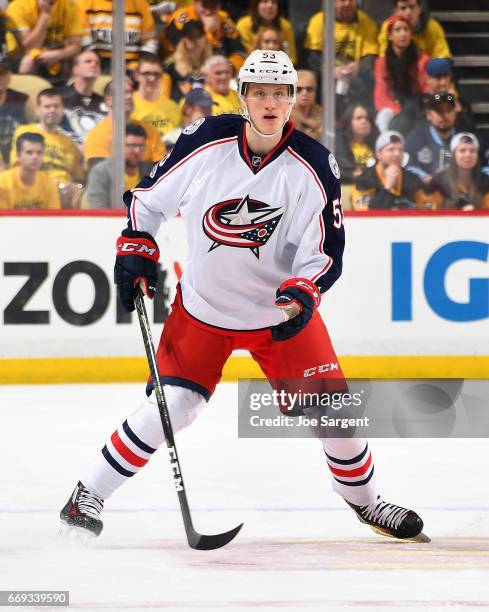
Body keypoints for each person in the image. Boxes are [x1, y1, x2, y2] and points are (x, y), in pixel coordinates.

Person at [60, 49, 427, 544]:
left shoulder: (316, 165)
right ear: (243, 96)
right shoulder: (204, 140)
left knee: (334, 412)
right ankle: (88, 493)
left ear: (294, 100)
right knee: (173, 406)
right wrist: (136, 248)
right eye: (261, 92)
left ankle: (367, 503)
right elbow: (148, 200)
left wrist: (302, 294)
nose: (271, 102)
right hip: (203, 310)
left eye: (281, 92)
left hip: (276, 316)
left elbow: (326, 251)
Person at [10, 89, 85, 207]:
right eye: (47, 106)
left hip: (67, 193)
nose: (52, 110)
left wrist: (75, 186)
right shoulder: (24, 132)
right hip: (37, 187)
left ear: (62, 110)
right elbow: (18, 167)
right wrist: (48, 183)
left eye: (56, 106)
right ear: (38, 110)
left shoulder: (68, 142)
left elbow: (78, 178)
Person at [304, 0, 378, 106]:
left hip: (356, 78)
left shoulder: (367, 21)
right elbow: (313, 57)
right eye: (342, 0)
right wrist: (330, 70)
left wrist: (359, 66)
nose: (347, 3)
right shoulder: (319, 21)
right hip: (327, 78)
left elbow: (371, 55)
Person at [84, 78, 165, 170]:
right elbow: (101, 175)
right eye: (123, 93)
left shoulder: (149, 131)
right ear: (108, 100)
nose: (129, 96)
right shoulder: (98, 135)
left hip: (148, 183)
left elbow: (161, 168)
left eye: (130, 92)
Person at [390, 57, 477, 136]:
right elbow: (401, 132)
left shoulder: (461, 104)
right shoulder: (415, 104)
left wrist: (458, 109)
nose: (443, 83)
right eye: (438, 78)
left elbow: (471, 135)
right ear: (427, 79)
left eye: (446, 77)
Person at [374, 15, 429, 133]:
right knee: (384, 117)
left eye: (406, 29)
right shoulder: (382, 62)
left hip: (417, 104)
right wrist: (398, 110)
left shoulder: (423, 60)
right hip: (394, 106)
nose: (403, 34)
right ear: (390, 36)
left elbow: (426, 88)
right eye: (398, 30)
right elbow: (381, 92)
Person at [352, 130, 433, 210]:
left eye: (401, 150)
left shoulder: (411, 178)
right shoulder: (365, 179)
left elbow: (428, 206)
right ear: (378, 154)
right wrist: (388, 187)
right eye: (391, 149)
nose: (397, 154)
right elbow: (365, 213)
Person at [6, 0, 83, 82]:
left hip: (57, 53)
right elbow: (29, 47)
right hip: (24, 55)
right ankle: (28, 91)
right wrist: (45, 15)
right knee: (28, 60)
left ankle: (73, 91)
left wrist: (56, 55)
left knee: (80, 58)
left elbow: (76, 46)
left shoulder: (70, 6)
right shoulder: (18, 7)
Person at [86, 123, 153, 209]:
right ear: (119, 146)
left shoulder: (151, 172)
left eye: (141, 146)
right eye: (131, 146)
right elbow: (97, 209)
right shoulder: (101, 172)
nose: (137, 151)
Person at [166, 0, 245, 71]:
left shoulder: (223, 19)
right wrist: (207, 30)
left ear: (219, 6)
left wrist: (229, 66)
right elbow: (184, 50)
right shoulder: (182, 17)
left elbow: (238, 50)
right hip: (183, 68)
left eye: (213, 6)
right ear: (195, 3)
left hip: (218, 72)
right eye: (205, 5)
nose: (208, 12)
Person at [81, 0, 158, 72]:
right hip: (97, 68)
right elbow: (84, 42)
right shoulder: (85, 3)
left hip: (133, 69)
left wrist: (140, 67)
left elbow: (150, 42)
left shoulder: (140, 3)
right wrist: (104, 67)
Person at [405, 92, 459, 183]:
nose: (444, 115)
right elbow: (407, 168)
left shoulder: (465, 137)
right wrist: (426, 177)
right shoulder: (416, 138)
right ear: (429, 115)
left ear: (455, 114)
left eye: (448, 110)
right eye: (439, 111)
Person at [0, 132, 61, 210]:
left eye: (39, 153)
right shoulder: (3, 183)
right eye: (29, 152)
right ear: (18, 156)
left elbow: (54, 217)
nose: (35, 157)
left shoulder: (49, 183)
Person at [431, 133, 489, 210]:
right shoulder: (439, 182)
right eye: (462, 150)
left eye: (472, 151)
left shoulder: (486, 181)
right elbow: (431, 212)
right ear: (454, 155)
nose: (468, 154)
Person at [60, 49, 106, 145]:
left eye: (97, 63)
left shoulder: (105, 102)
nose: (94, 65)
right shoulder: (59, 97)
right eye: (88, 61)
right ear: (75, 69)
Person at [131, 53, 182, 139]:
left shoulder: (172, 106)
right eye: (146, 74)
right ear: (137, 76)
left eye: (157, 74)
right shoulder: (127, 105)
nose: (152, 78)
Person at [378, 0, 451, 59]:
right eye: (403, 8)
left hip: (426, 71)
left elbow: (443, 55)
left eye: (412, 7)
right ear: (396, 11)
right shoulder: (388, 26)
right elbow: (383, 59)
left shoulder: (432, 26)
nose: (408, 12)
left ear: (419, 9)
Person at [164, 19, 212, 102]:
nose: (195, 41)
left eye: (199, 36)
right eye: (191, 38)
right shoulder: (170, 67)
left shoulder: (215, 65)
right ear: (184, 40)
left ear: (205, 38)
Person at [335, 104, 377, 183]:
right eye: (359, 118)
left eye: (367, 118)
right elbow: (339, 171)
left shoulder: (375, 144)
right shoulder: (340, 144)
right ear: (348, 121)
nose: (364, 121)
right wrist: (354, 175)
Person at [0, 59, 28, 172]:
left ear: (10, 76)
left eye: (3, 73)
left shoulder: (22, 100)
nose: (0, 78)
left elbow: (35, 130)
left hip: (18, 162)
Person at [290, 69, 321, 142]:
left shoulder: (324, 116)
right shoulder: (283, 117)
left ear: (315, 92)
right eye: (298, 89)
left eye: (309, 89)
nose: (304, 93)